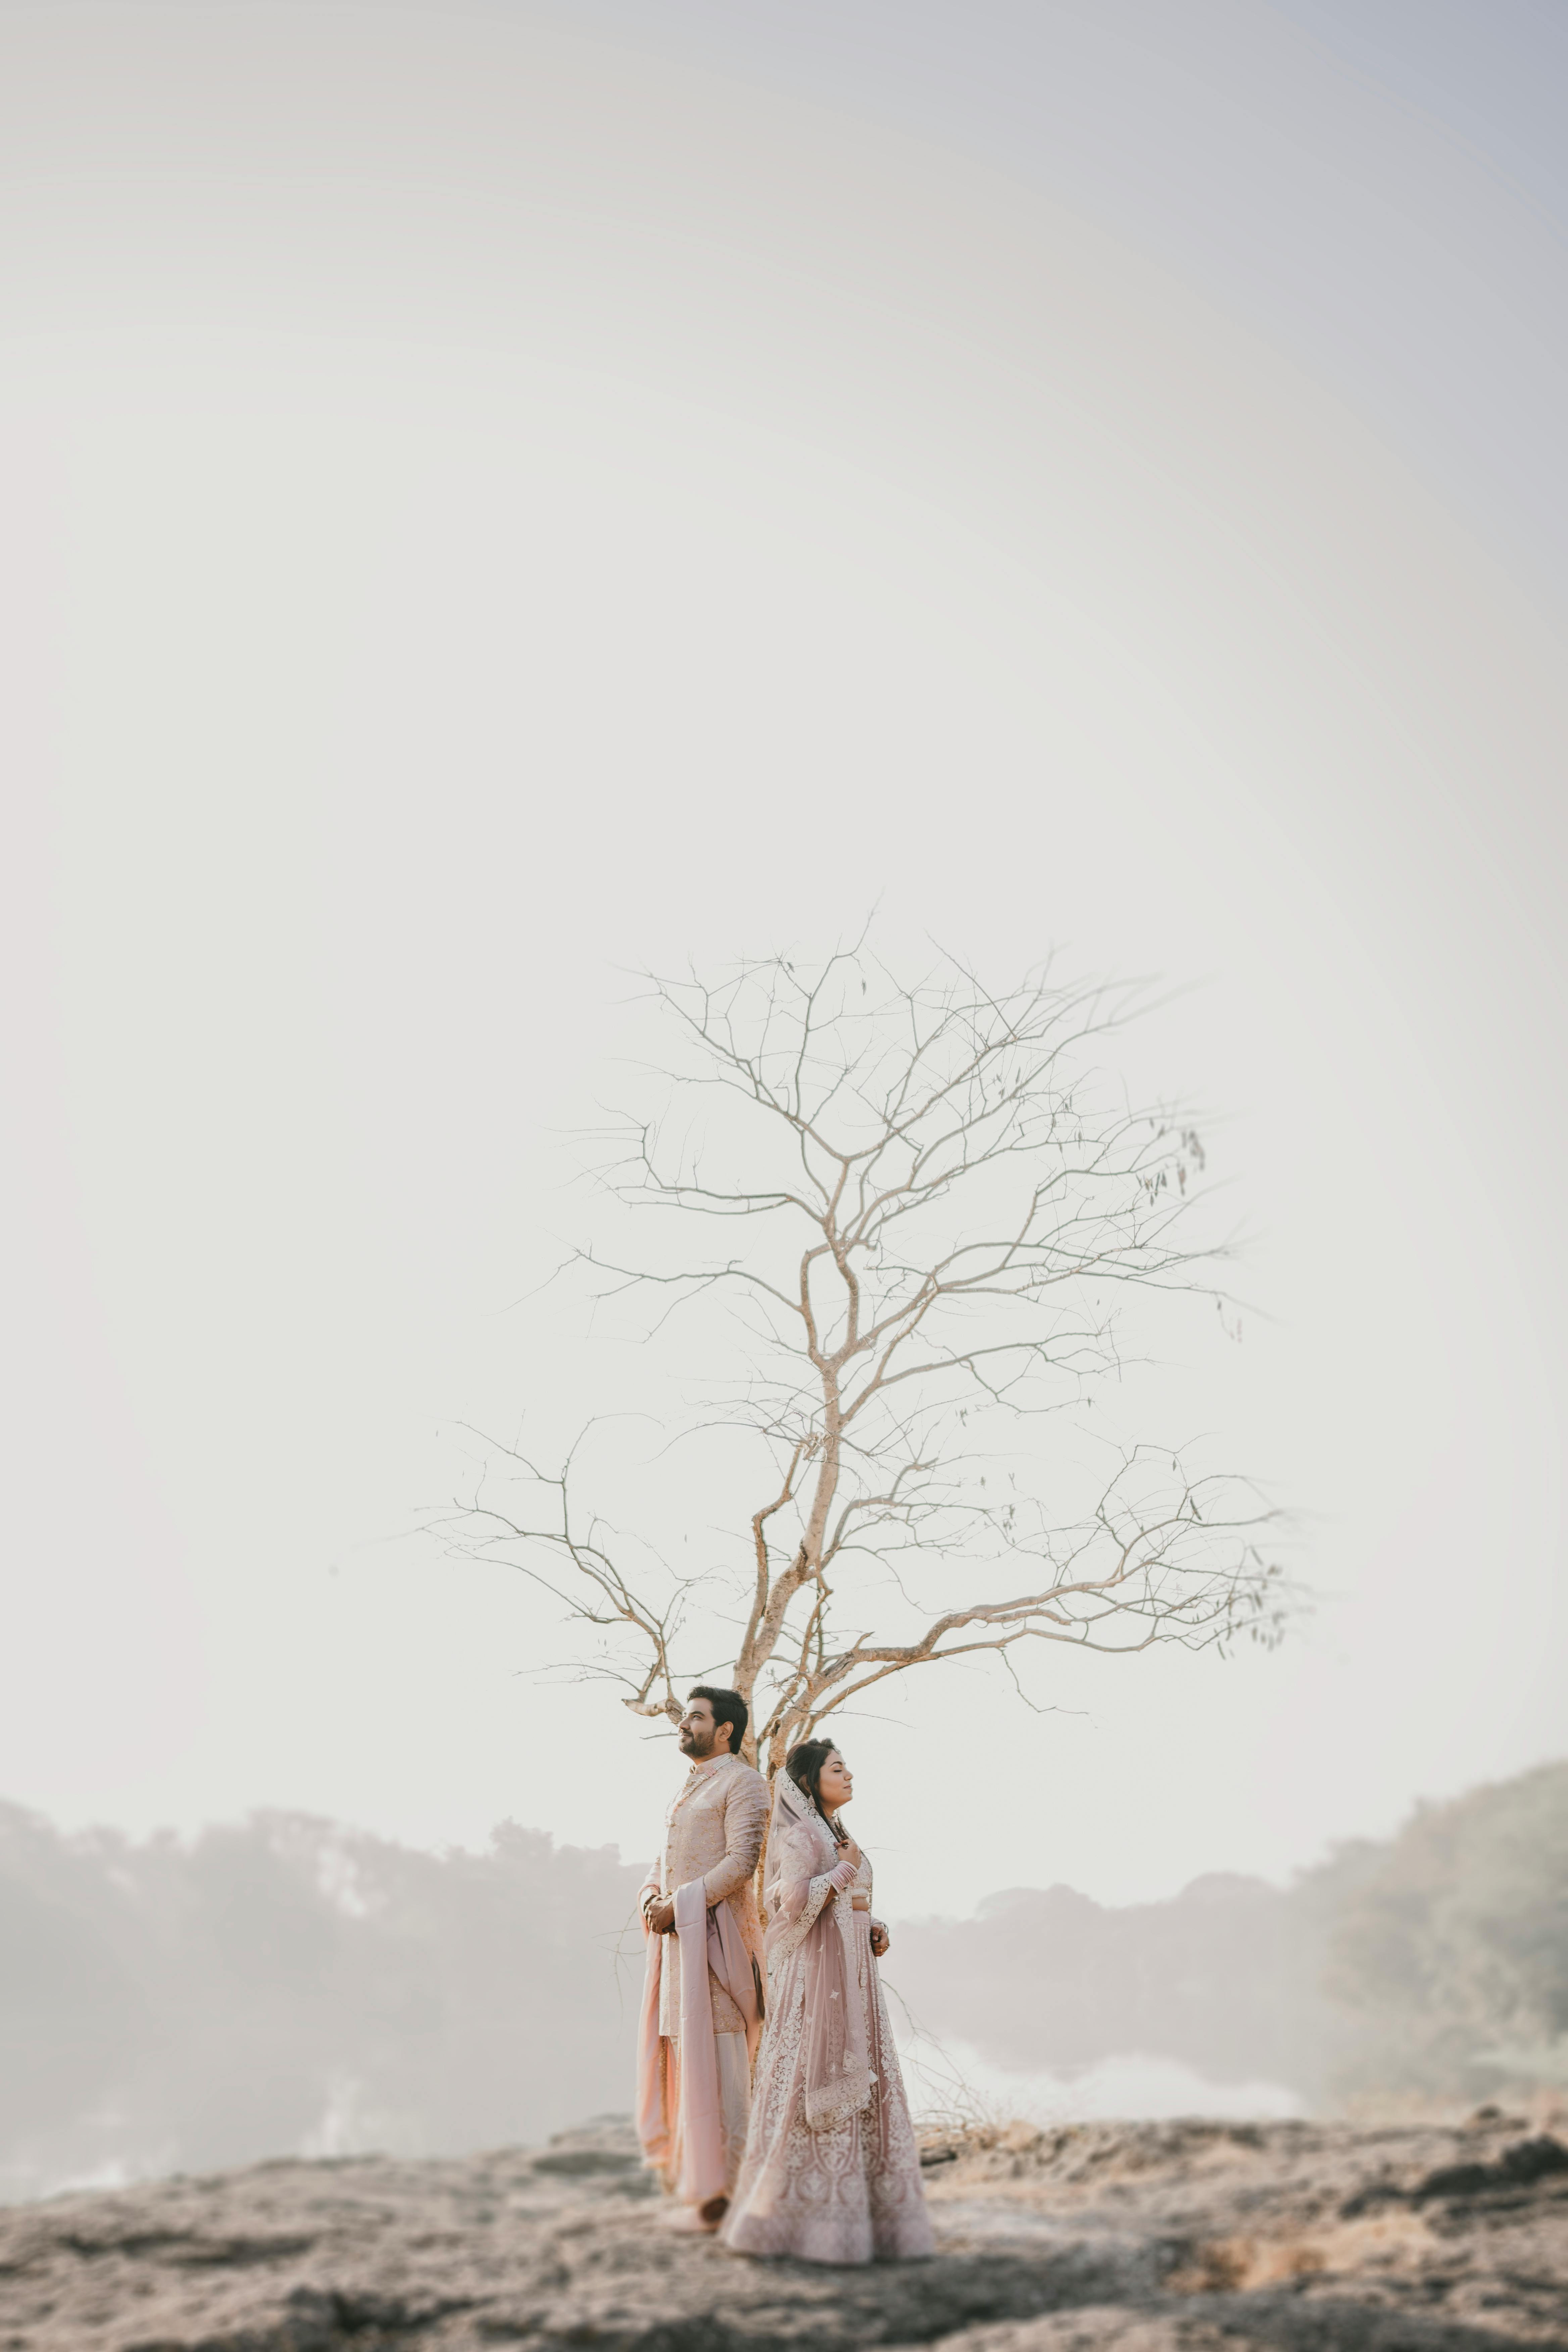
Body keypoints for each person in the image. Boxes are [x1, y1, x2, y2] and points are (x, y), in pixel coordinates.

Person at [721, 1739, 934, 2264]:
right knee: (802, 2082)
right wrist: (840, 1873)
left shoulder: (840, 1835)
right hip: (816, 1984)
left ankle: (867, 2224)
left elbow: (852, 1908)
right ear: (811, 1781)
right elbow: (786, 1904)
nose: (850, 1775)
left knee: (863, 2079)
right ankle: (797, 2222)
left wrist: (874, 1929)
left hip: (853, 1978)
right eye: (838, 1768)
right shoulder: (799, 1835)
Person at [636, 1686, 769, 2231]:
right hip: (677, 1953)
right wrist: (650, 1897)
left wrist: (680, 1906)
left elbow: (743, 1861)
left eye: (695, 1717)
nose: (683, 1725)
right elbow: (663, 1860)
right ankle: (704, 2194)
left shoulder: (745, 1783)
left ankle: (735, 2199)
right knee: (690, 2076)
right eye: (685, 1716)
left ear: (725, 1731)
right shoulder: (688, 1789)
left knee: (727, 2079)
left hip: (718, 1951)